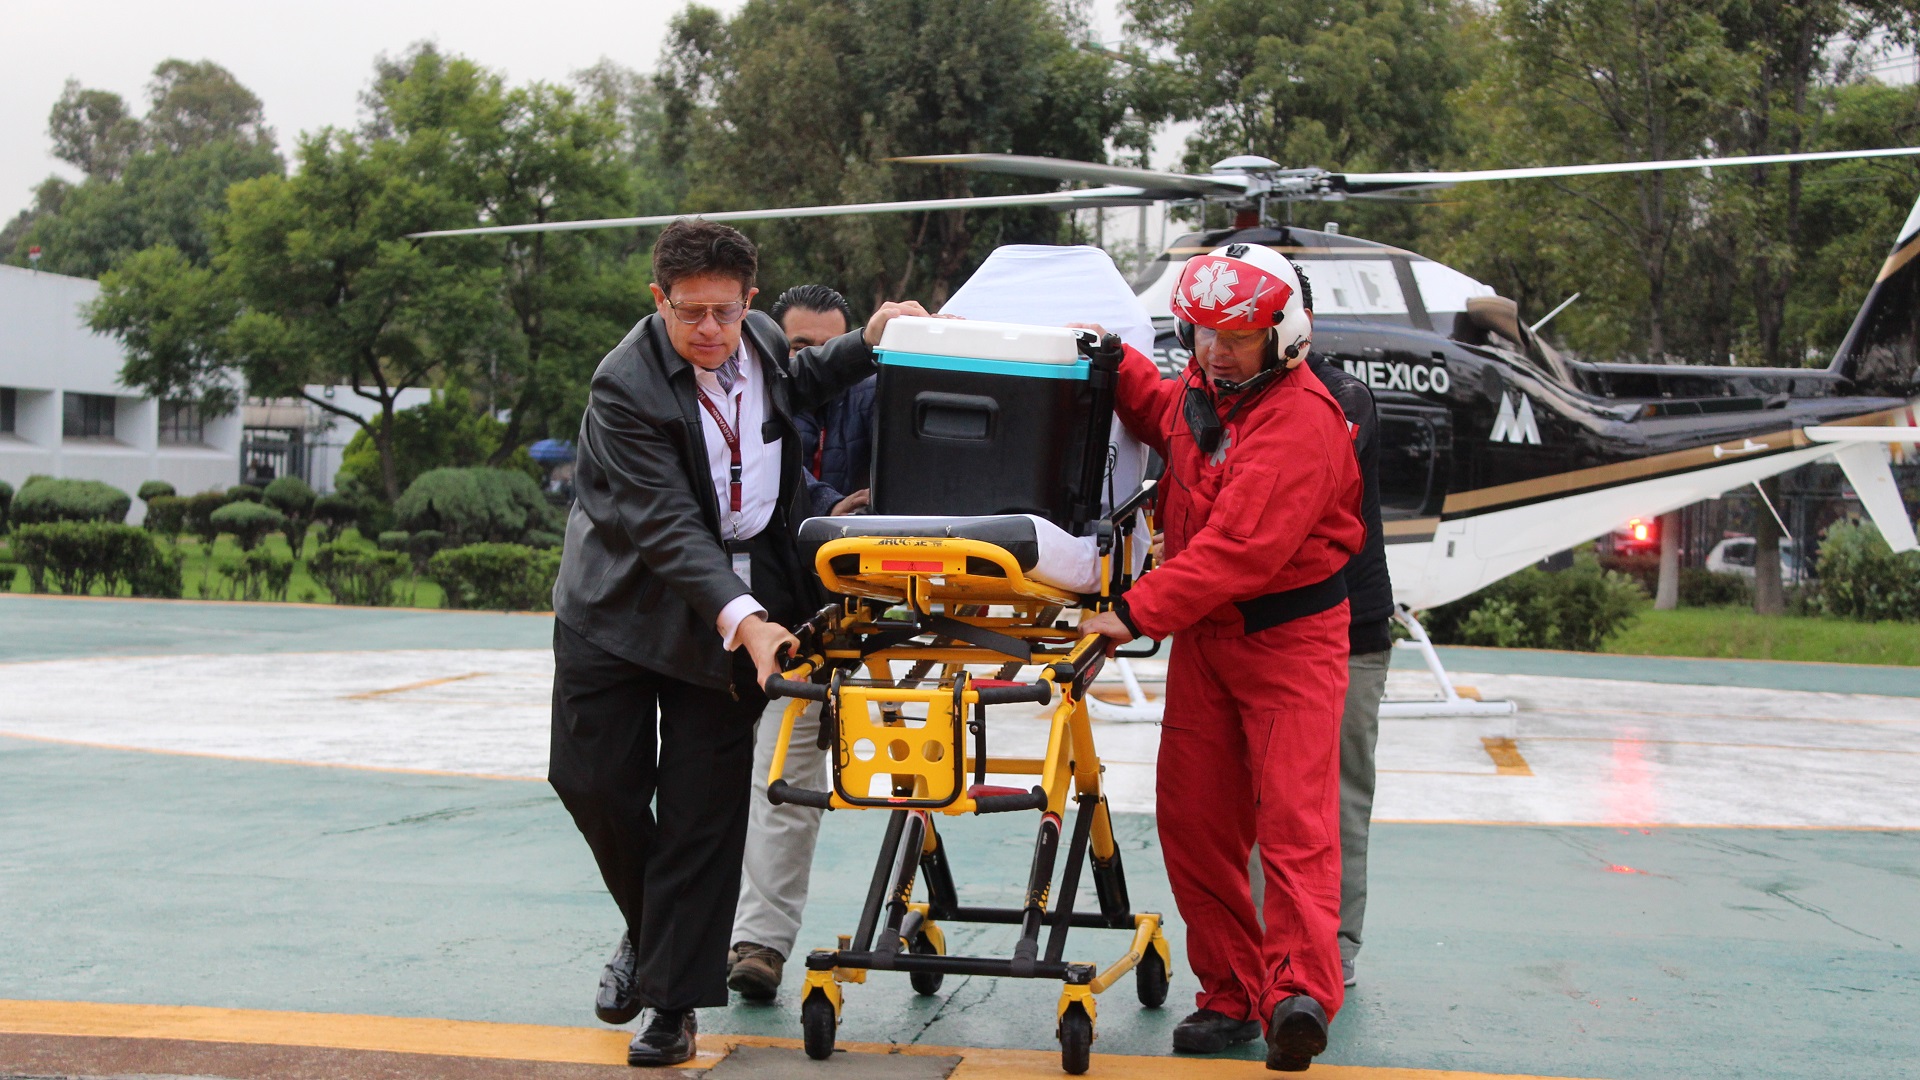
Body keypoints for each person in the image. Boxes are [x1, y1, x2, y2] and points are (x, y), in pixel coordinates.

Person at [547, 218, 928, 1067]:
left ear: (750, 301)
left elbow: (796, 382)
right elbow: (665, 528)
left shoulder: (755, 339)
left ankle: (672, 1006)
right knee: (591, 784)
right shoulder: (625, 387)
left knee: (701, 812)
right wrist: (749, 622)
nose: (710, 331)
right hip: (620, 608)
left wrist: (867, 342)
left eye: (724, 310)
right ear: (659, 301)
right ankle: (655, 936)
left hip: (740, 606)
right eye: (690, 315)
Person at [1078, 242, 1363, 1072]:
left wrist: (1130, 613)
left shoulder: (1301, 421)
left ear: (1284, 334)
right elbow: (1158, 404)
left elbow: (1240, 550)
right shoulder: (1206, 394)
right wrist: (1103, 353)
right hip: (1209, 640)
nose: (1214, 351)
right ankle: (1233, 993)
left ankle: (1298, 995)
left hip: (1290, 644)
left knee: (1293, 826)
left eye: (1234, 337)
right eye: (1200, 333)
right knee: (1197, 823)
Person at [725, 283, 872, 1000]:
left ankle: (765, 940)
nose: (812, 358)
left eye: (827, 346)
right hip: (762, 620)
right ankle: (735, 937)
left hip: (850, 623)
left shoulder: (872, 395)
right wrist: (825, 509)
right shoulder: (751, 403)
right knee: (746, 779)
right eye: (799, 347)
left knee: (796, 781)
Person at [1307, 324, 1395, 991]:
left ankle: (1333, 949)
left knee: (1339, 797)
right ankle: (1262, 945)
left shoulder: (1342, 398)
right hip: (1255, 630)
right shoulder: (1213, 394)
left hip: (1348, 629)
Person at [775, 284, 876, 519]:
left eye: (832, 349)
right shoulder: (753, 392)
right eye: (800, 348)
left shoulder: (872, 393)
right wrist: (826, 504)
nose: (817, 359)